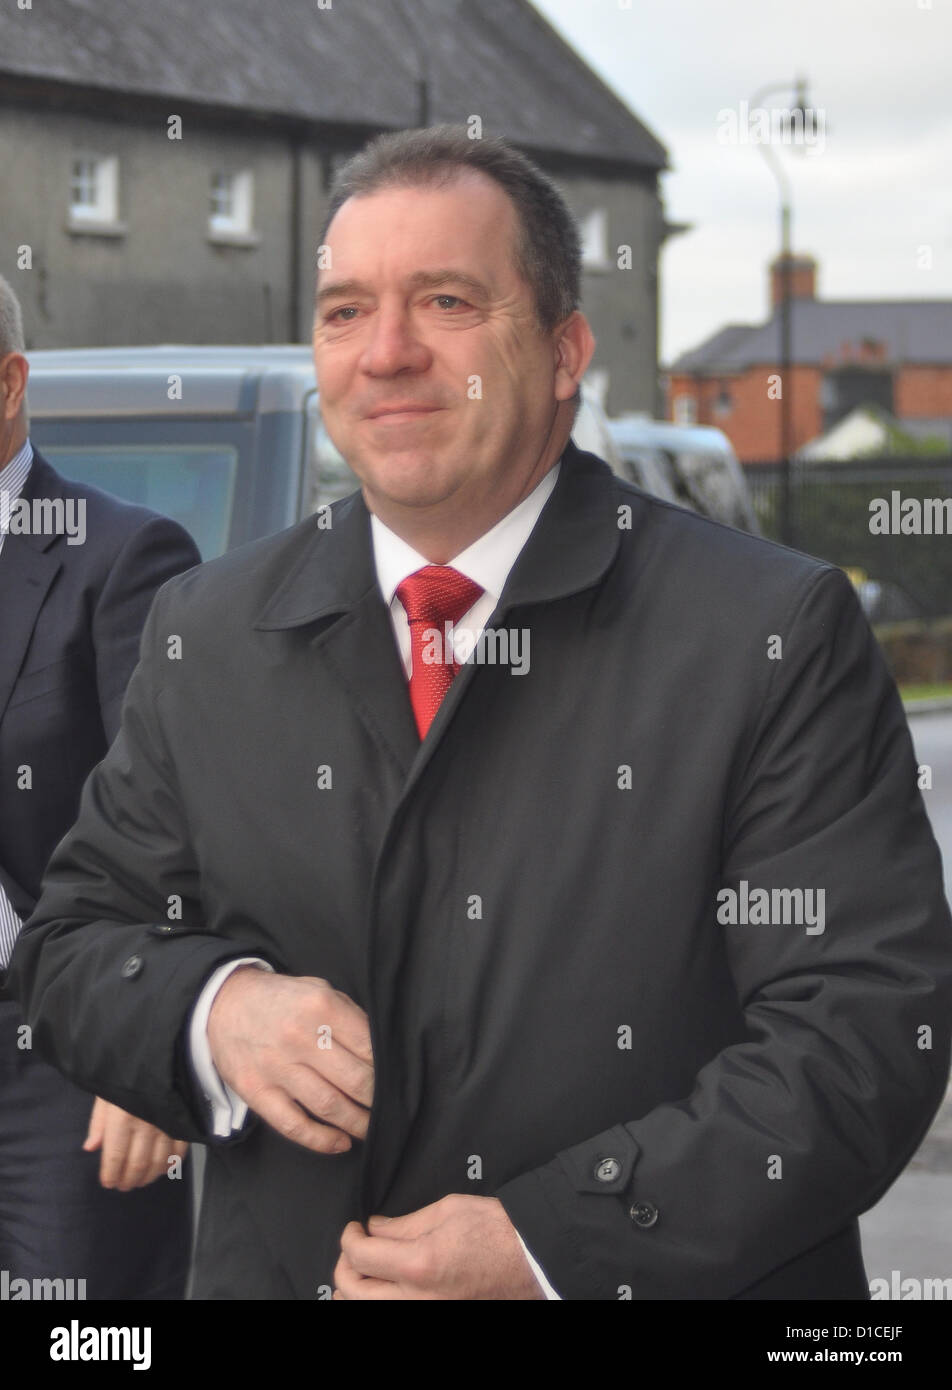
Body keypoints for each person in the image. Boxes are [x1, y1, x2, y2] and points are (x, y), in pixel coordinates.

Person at [10, 127, 952, 1301]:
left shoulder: (768, 634)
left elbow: (859, 1039)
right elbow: (71, 948)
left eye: (445, 300)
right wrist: (216, 1012)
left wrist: (556, 1243)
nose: (387, 352)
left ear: (564, 353)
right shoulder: (209, 629)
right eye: (346, 311)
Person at [0, 273, 200, 1298]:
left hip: (59, 1057)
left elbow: (176, 823)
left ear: (8, 384)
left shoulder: (123, 558)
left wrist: (152, 1049)